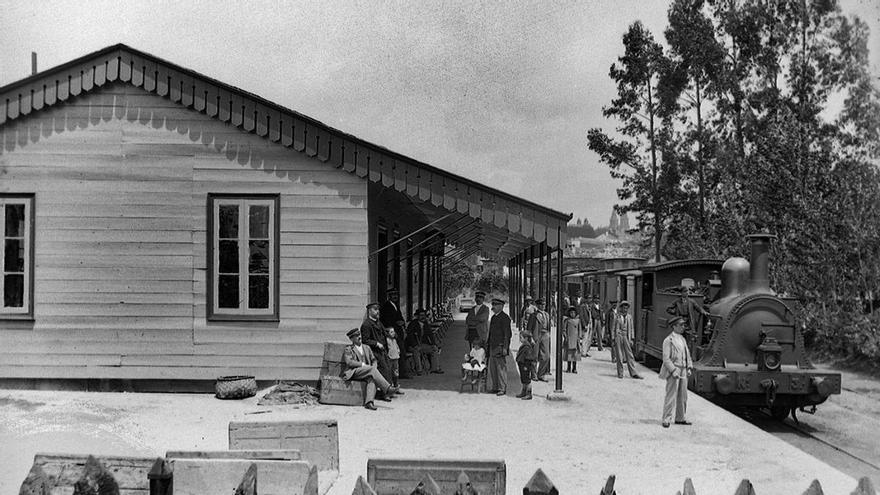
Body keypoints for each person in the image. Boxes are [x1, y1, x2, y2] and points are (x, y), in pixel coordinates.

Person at [341, 328, 400, 410]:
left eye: (359, 335)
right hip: (354, 372)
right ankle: (387, 389)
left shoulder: (367, 347)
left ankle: (369, 402)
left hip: (368, 372)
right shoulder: (349, 349)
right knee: (372, 371)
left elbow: (374, 360)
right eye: (356, 336)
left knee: (372, 379)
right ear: (351, 339)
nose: (359, 337)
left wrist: (374, 367)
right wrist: (362, 365)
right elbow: (349, 362)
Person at [659, 316, 693, 427]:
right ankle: (666, 419)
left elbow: (687, 354)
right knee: (671, 395)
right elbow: (666, 358)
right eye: (681, 325)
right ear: (674, 326)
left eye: (683, 325)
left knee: (683, 396)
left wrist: (689, 367)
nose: (683, 327)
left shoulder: (682, 339)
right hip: (674, 369)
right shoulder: (668, 340)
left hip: (683, 369)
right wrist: (673, 371)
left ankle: (680, 418)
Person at [380, 288, 411, 379]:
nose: (395, 296)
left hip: (398, 333)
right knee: (397, 354)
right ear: (389, 296)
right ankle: (399, 374)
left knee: (401, 352)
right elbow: (387, 321)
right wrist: (395, 327)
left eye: (396, 294)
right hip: (393, 334)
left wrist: (402, 322)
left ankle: (402, 373)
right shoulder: (386, 306)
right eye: (393, 295)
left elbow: (400, 317)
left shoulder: (395, 305)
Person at [360, 302, 393, 384]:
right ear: (369, 311)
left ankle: (390, 388)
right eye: (375, 309)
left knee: (389, 369)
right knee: (383, 370)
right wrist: (376, 343)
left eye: (378, 309)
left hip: (382, 351)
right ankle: (384, 393)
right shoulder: (366, 325)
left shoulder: (378, 322)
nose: (377, 311)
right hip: (374, 352)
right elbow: (365, 340)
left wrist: (390, 334)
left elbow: (384, 332)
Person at [486, 297, 512, 396]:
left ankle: (502, 388)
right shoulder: (493, 318)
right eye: (493, 305)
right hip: (492, 346)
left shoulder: (505, 318)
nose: (493, 307)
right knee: (493, 368)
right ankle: (495, 387)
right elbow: (491, 333)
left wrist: (505, 347)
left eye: (495, 305)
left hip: (500, 346)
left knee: (501, 369)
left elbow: (507, 335)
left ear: (501, 306)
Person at [405, 309, 443, 375]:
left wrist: (434, 344)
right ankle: (419, 370)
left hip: (422, 345)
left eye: (424, 315)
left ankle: (435, 368)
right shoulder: (413, 324)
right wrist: (415, 345)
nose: (423, 317)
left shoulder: (426, 324)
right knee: (416, 351)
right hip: (412, 345)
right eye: (421, 315)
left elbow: (430, 335)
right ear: (417, 316)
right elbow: (410, 336)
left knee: (434, 349)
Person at [613, 301, 643, 380]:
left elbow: (632, 328)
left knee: (630, 355)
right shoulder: (617, 316)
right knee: (619, 355)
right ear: (621, 308)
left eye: (626, 308)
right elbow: (613, 328)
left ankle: (633, 373)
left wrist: (632, 338)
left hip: (626, 336)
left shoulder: (629, 317)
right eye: (624, 308)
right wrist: (613, 338)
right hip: (619, 336)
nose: (625, 310)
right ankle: (620, 373)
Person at [527, 298, 552, 381]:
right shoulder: (533, 315)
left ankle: (541, 373)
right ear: (537, 306)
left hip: (545, 335)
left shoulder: (547, 315)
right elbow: (529, 328)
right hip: (536, 335)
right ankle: (533, 374)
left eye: (544, 304)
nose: (543, 306)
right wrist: (530, 338)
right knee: (534, 356)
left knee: (546, 356)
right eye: (541, 305)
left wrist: (548, 335)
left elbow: (548, 326)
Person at [515, 331, 537, 400]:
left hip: (525, 365)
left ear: (526, 338)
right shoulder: (525, 345)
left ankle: (528, 393)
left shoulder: (527, 347)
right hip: (522, 364)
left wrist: (526, 366)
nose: (520, 339)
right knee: (523, 379)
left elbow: (529, 358)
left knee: (527, 380)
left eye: (521, 338)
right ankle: (524, 392)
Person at [562, 306, 583, 373]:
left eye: (574, 313)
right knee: (569, 354)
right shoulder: (567, 320)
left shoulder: (578, 321)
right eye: (571, 313)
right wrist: (565, 337)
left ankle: (574, 368)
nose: (572, 314)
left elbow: (580, 329)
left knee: (575, 355)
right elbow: (564, 329)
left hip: (576, 339)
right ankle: (568, 367)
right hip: (569, 338)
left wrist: (579, 337)